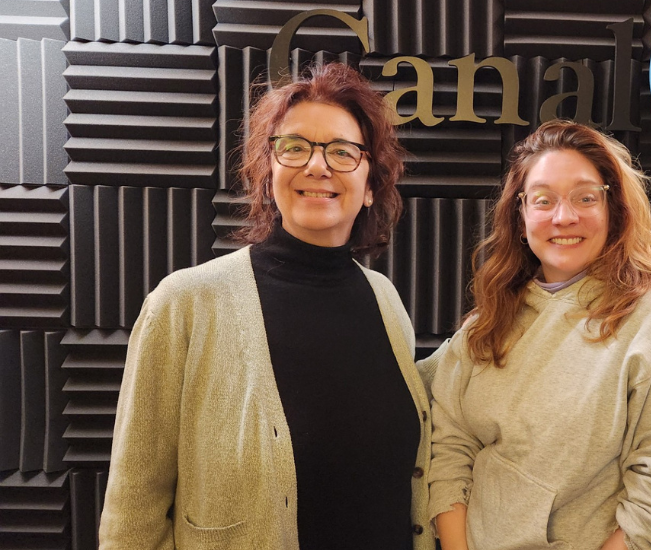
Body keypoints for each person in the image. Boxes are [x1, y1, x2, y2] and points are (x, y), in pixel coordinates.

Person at [98, 62, 435, 550]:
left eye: (342, 152)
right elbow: (133, 510)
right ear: (268, 171)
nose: (317, 166)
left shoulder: (385, 300)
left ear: (371, 187)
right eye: (295, 147)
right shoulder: (184, 305)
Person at [427, 120, 651, 550]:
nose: (564, 216)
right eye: (543, 200)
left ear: (614, 209)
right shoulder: (488, 322)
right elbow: (450, 450)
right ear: (521, 214)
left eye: (585, 197)